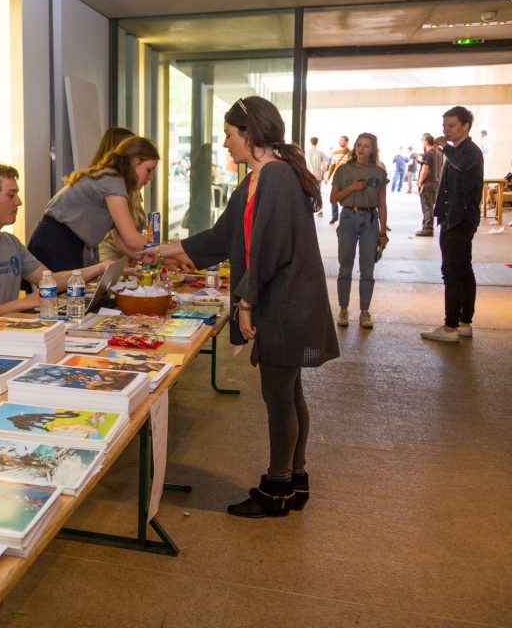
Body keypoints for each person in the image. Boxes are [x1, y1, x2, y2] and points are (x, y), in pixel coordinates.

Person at [156, 96, 339, 518]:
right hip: (287, 300)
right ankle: (295, 479)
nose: (225, 144)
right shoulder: (260, 179)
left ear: (250, 134)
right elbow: (222, 237)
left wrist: (245, 302)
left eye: (228, 135)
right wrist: (168, 249)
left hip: (285, 302)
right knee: (289, 392)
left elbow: (267, 251)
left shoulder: (273, 177)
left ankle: (276, 488)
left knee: (279, 398)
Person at [0, 163, 111, 329]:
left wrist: (101, 268)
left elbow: (50, 280)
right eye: (11, 195)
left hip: (0, 331)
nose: (19, 202)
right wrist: (23, 303)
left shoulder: (11, 243)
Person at [28, 136, 159, 271]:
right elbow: (131, 238)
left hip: (64, 242)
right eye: (149, 170)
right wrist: (164, 251)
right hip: (56, 241)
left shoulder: (113, 180)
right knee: (63, 291)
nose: (150, 178)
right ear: (135, 161)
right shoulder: (113, 181)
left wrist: (145, 257)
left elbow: (122, 244)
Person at [421, 106, 484, 343]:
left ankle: (450, 327)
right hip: (455, 218)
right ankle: (464, 322)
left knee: (452, 272)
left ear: (465, 127)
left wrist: (443, 146)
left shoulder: (468, 151)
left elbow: (460, 164)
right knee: (463, 270)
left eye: (451, 125)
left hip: (459, 219)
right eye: (444, 125)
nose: (445, 130)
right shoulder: (461, 150)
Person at [330, 133, 389, 329]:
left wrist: (383, 232)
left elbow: (382, 204)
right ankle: (343, 310)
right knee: (345, 266)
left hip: (370, 219)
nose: (361, 149)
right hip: (348, 216)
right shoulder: (343, 170)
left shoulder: (379, 172)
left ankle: (365, 312)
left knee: (367, 269)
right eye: (359, 145)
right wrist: (353, 188)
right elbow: (333, 198)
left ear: (372, 150)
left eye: (366, 146)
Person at [91, 127, 143, 262]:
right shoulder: (111, 184)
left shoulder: (126, 187)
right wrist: (166, 254)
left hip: (128, 258)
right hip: (110, 258)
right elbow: (127, 240)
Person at [415, 133, 444, 236]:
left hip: (427, 183)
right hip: (436, 182)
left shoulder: (428, 153)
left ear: (426, 141)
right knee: (430, 205)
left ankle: (427, 228)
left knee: (426, 206)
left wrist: (419, 183)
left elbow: (425, 170)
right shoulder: (439, 153)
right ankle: (427, 226)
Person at [324, 135, 351, 224]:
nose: (340, 142)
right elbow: (332, 165)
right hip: (336, 178)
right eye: (339, 140)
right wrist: (328, 177)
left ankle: (345, 217)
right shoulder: (335, 153)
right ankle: (334, 216)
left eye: (342, 140)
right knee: (333, 198)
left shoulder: (351, 153)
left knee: (346, 197)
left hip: (347, 179)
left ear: (347, 142)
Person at [305, 137, 328, 215]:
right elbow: (324, 166)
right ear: (317, 142)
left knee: (308, 192)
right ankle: (320, 210)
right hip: (318, 176)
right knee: (318, 192)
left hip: (309, 176)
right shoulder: (320, 153)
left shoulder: (307, 153)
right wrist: (323, 175)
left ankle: (309, 209)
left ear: (310, 142)